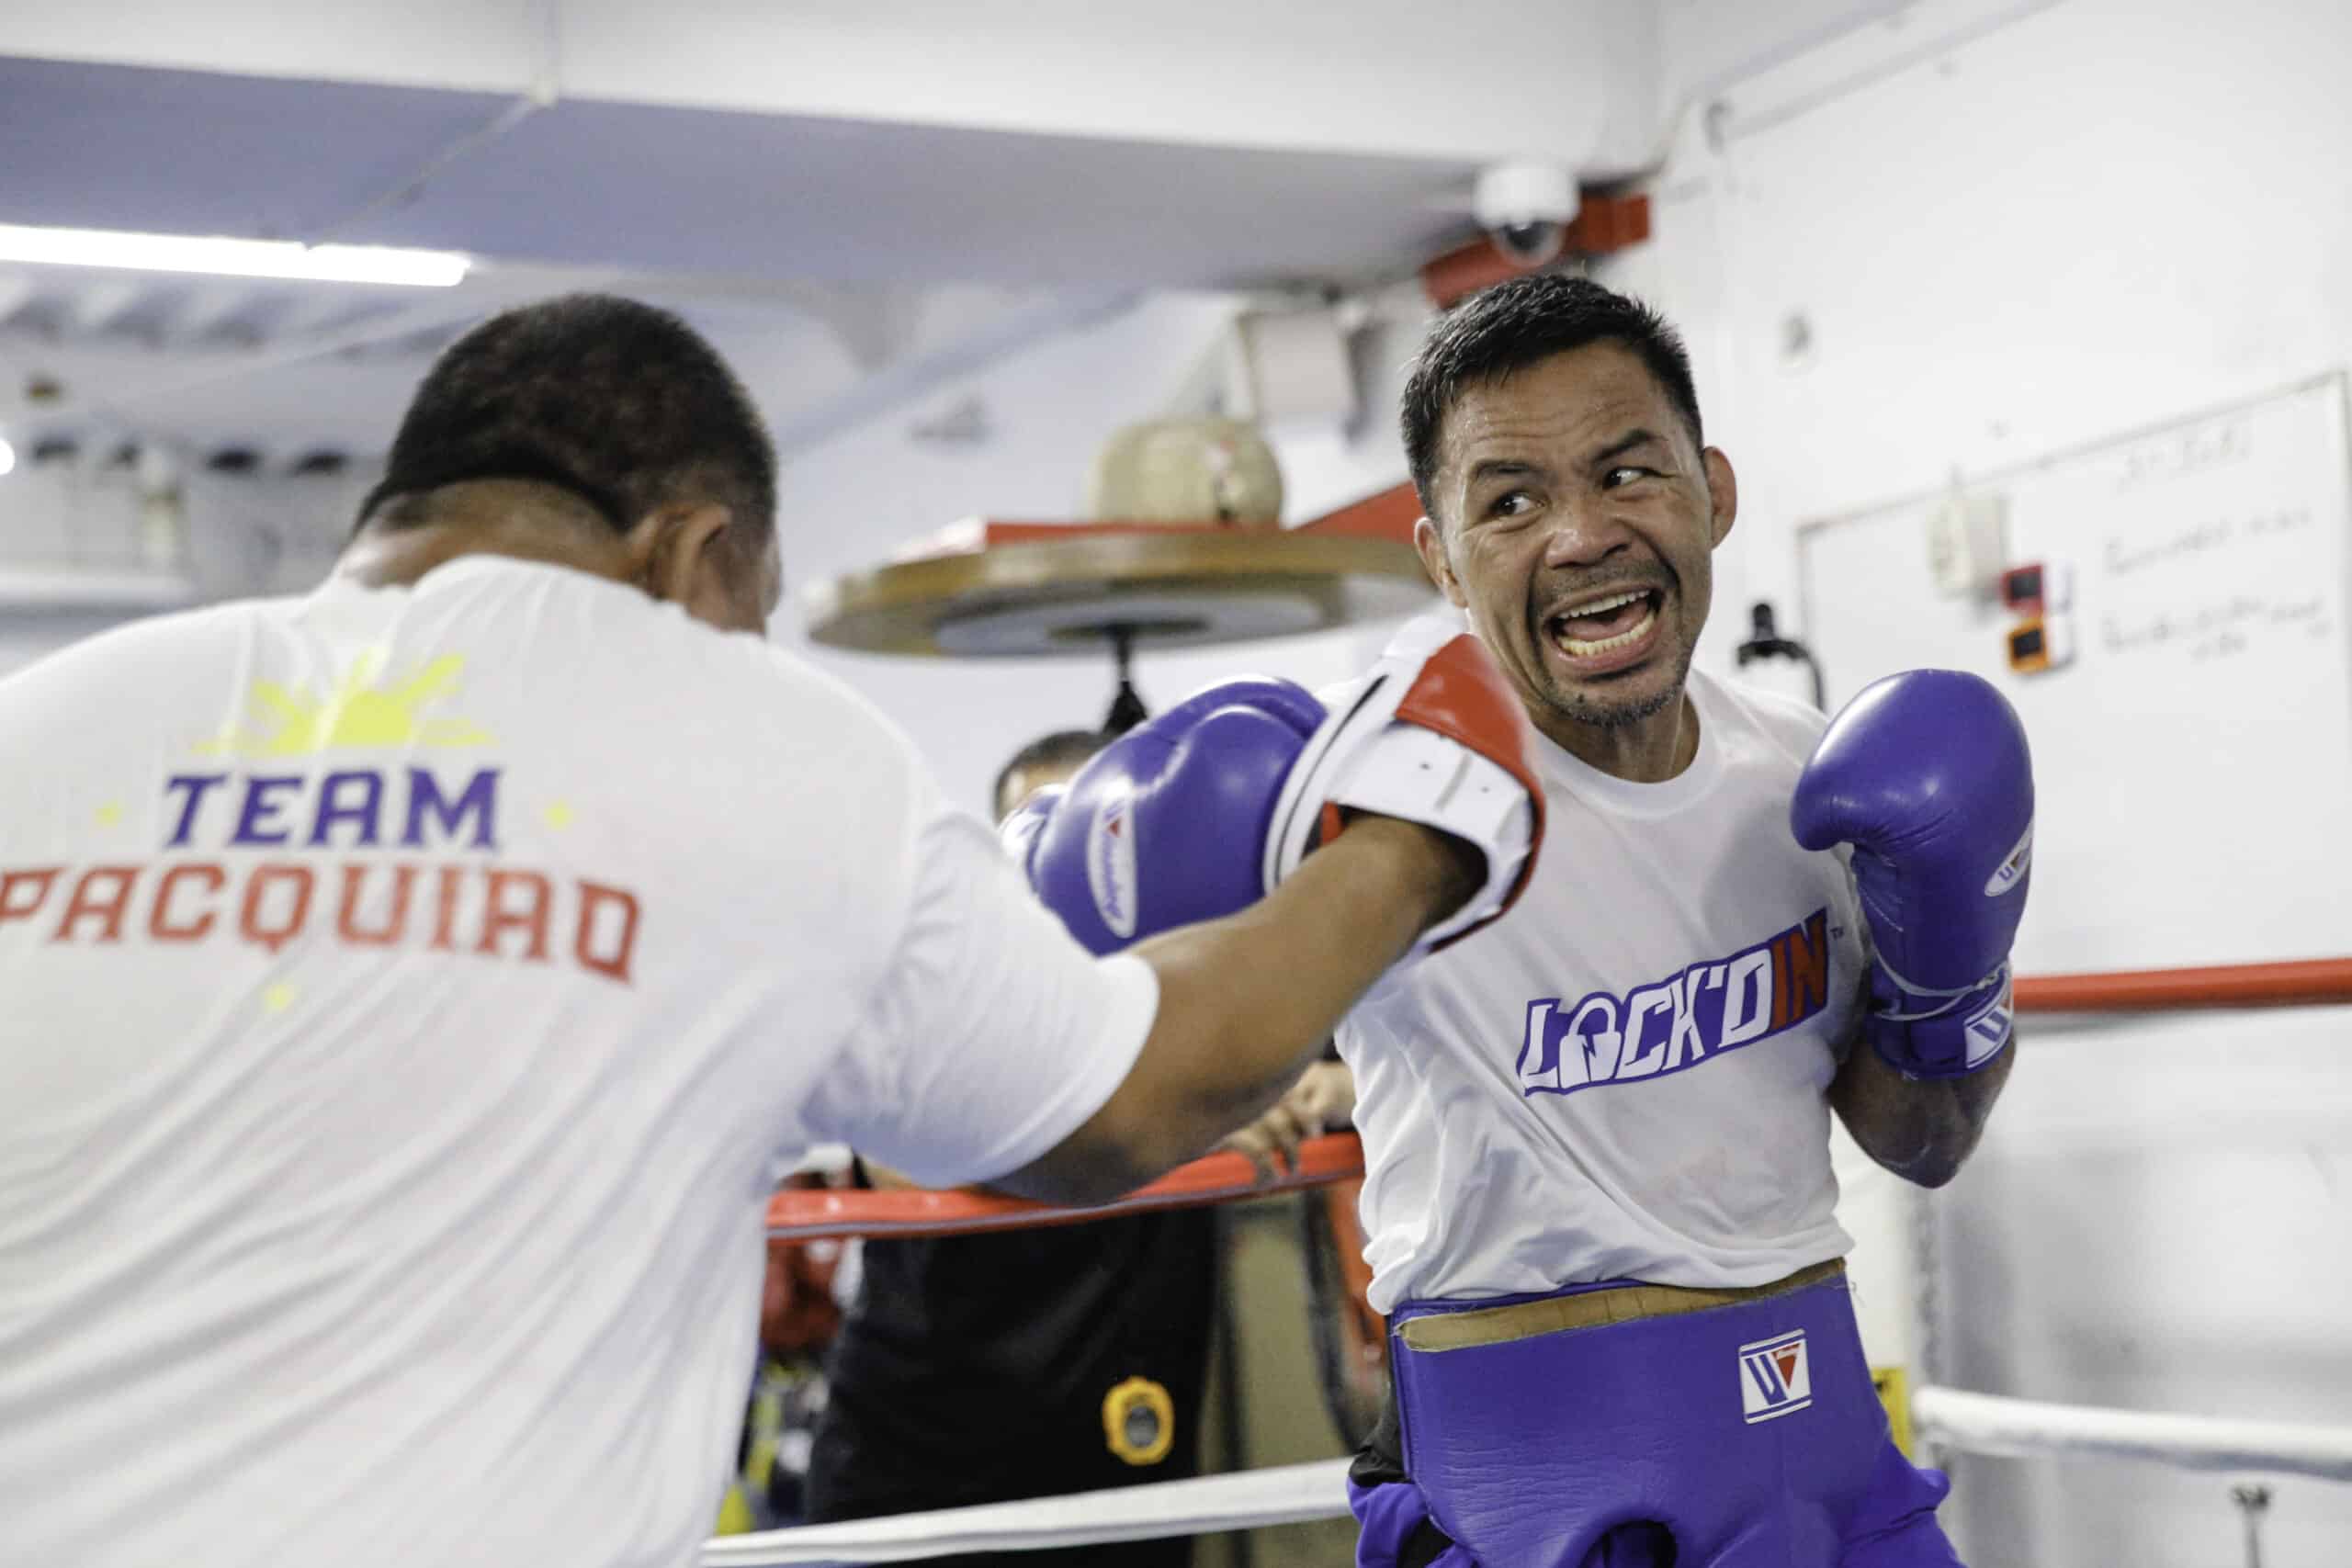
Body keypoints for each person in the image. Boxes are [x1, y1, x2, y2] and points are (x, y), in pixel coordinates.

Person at [0, 294, 1544, 1568]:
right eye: (758, 597)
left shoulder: (52, 718)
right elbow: (1122, 1101)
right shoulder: (743, 737)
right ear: (694, 552)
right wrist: (1421, 827)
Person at [1015, 275, 2032, 1567]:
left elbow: (1923, 1139)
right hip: (1524, 1488)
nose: (1582, 534)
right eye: (1511, 501)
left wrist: (1959, 972)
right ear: (1440, 555)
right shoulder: (1379, 799)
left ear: (1712, 489)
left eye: (1627, 472)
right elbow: (1114, 1093)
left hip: (1817, 1455)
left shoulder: (1806, 784)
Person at [809, 728, 1348, 1566]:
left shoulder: (1198, 1005)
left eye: (1103, 827)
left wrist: (1336, 1089)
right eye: (1042, 828)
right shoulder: (944, 995)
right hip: (919, 1478)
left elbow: (1395, 1052)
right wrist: (1178, 1117)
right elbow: (905, 1153)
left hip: (1121, 1474)